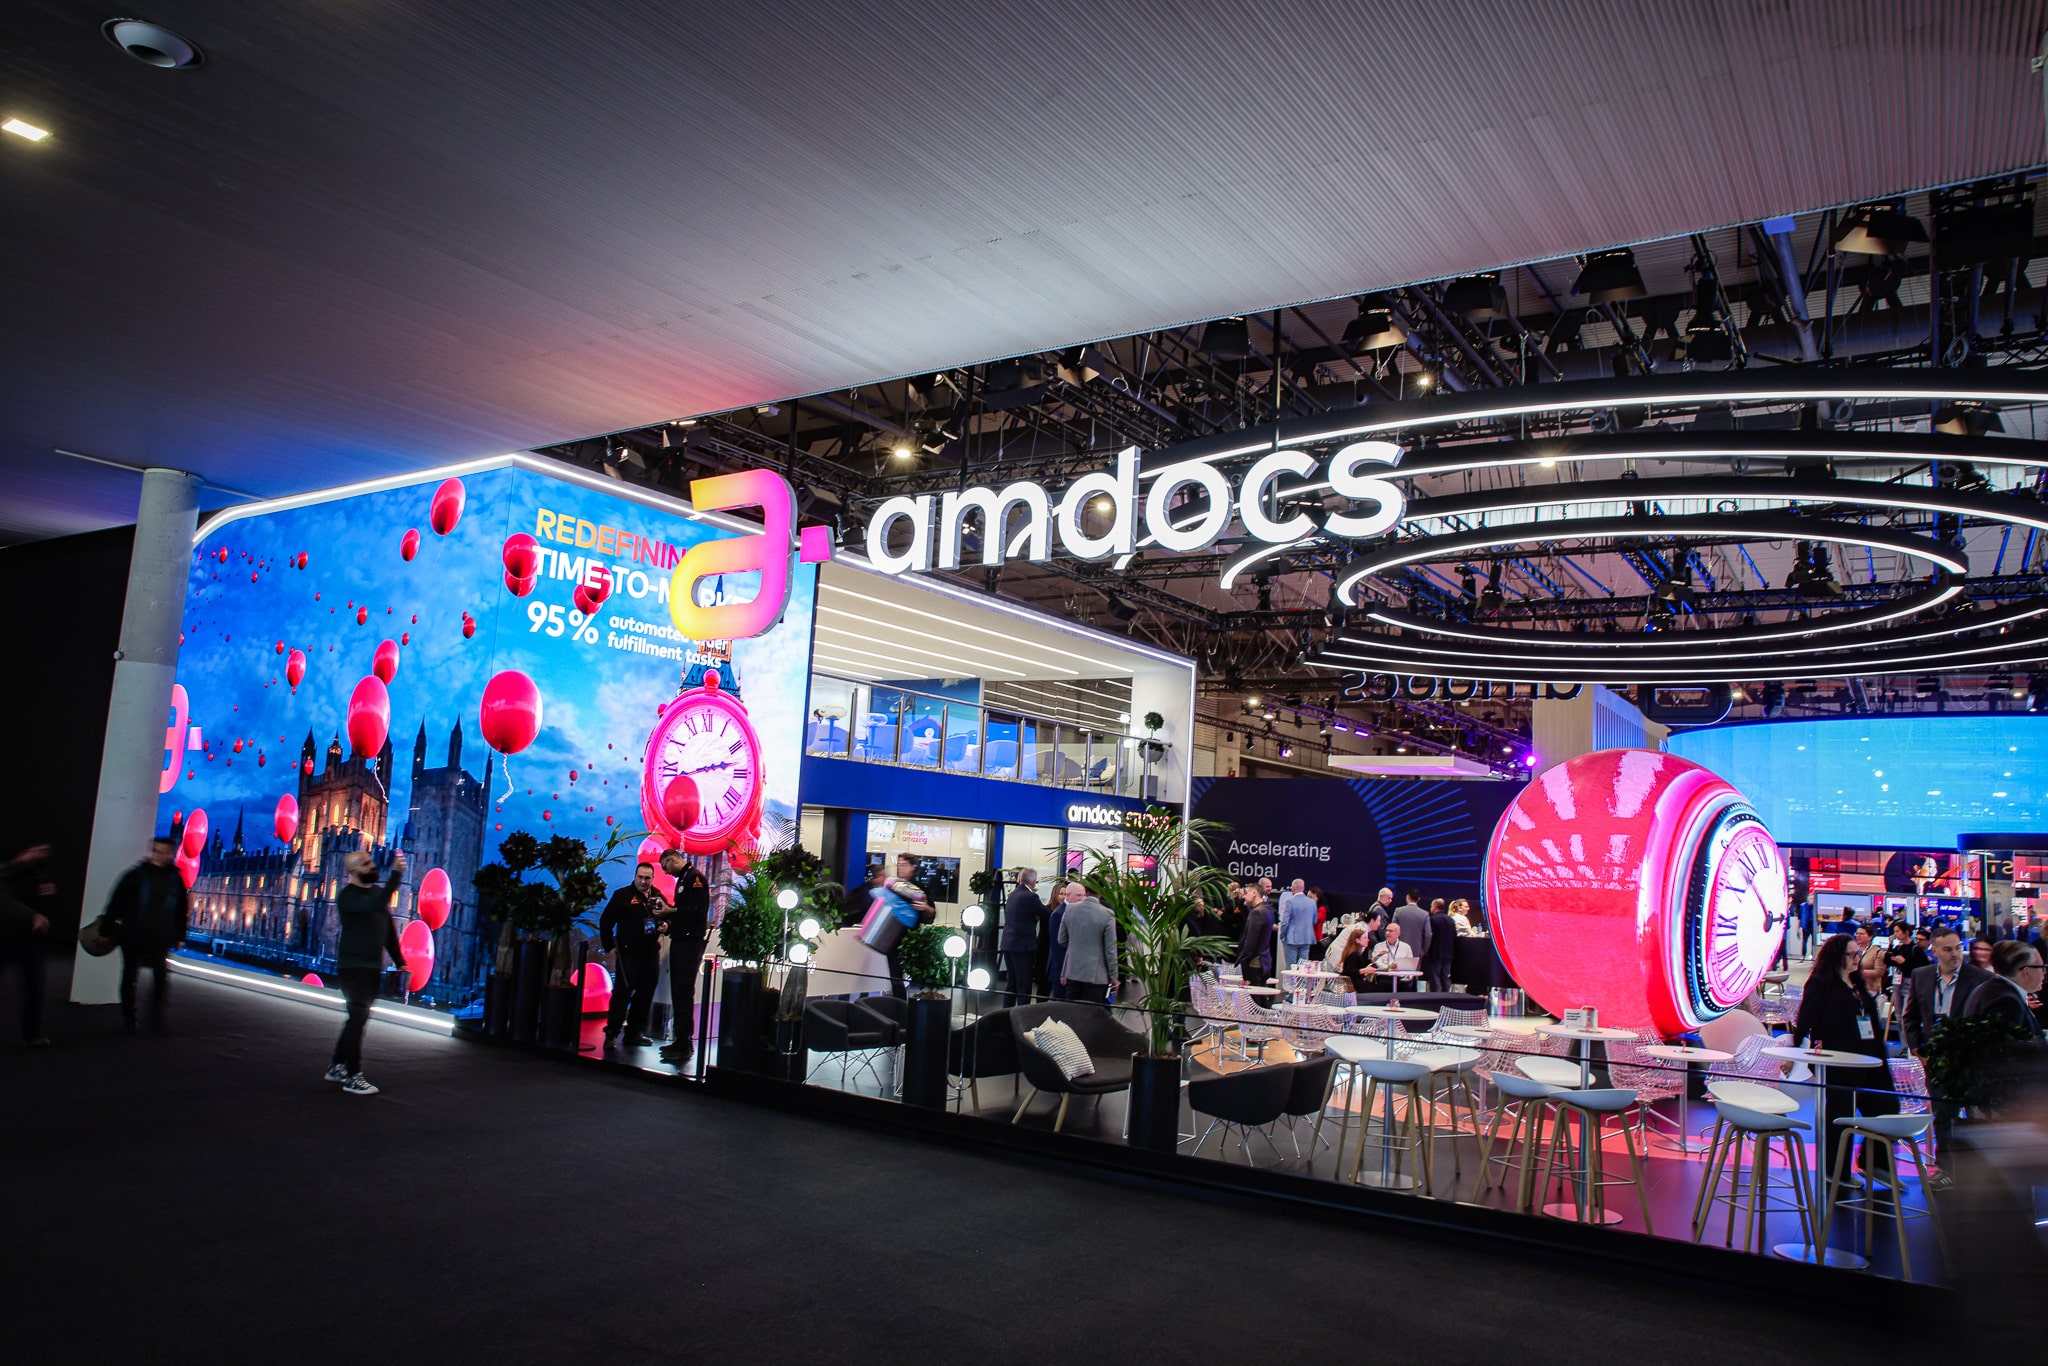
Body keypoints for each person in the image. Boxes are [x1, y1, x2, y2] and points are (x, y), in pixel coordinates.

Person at [1790, 933, 1898, 1177]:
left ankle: (1874, 1163)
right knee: (1840, 1115)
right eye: (1851, 955)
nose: (1856, 959)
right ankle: (1836, 1172)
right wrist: (1795, 1050)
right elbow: (1806, 1018)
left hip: (1871, 1058)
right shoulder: (1821, 983)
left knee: (1886, 1107)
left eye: (1857, 954)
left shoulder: (1857, 983)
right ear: (1836, 956)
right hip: (1840, 1061)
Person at [1903, 925, 1994, 1183]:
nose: (1955, 954)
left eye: (1958, 948)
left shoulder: (1980, 978)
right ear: (1934, 951)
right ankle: (1946, 1171)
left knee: (1977, 1116)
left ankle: (1979, 1174)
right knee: (1943, 1117)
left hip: (1970, 1061)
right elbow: (1910, 1016)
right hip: (1937, 1060)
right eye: (1947, 949)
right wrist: (1918, 1049)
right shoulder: (1921, 975)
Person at [327, 850, 406, 1095]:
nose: (372, 865)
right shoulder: (348, 897)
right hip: (352, 967)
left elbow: (388, 931)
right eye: (365, 863)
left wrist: (400, 962)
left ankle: (336, 1066)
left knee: (357, 1019)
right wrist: (396, 875)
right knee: (359, 1017)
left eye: (371, 861)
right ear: (353, 872)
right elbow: (375, 905)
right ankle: (353, 1075)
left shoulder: (376, 894)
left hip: (372, 967)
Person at [101, 835, 189, 1035]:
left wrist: (179, 935)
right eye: (156, 851)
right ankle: (129, 1017)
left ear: (171, 854)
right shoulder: (134, 876)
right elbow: (115, 903)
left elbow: (180, 910)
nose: (159, 855)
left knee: (160, 977)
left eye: (164, 852)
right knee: (130, 976)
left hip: (159, 936)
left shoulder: (176, 880)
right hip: (133, 934)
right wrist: (106, 931)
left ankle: (156, 1017)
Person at [598, 862, 666, 1048]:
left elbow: (667, 918)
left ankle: (634, 1033)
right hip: (628, 953)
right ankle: (612, 1033)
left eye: (647, 878)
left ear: (653, 878)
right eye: (640, 877)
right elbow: (605, 922)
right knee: (622, 992)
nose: (643, 881)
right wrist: (609, 947)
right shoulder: (622, 895)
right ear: (635, 877)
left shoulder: (658, 896)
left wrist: (665, 925)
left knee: (646, 993)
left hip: (650, 952)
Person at [1, 844, 55, 1047]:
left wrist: (52, 893)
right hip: (4, 936)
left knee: (34, 987)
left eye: (43, 851)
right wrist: (31, 915)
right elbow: (4, 900)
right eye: (36, 850)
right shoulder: (6, 871)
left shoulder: (40, 873)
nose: (40, 855)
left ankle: (33, 1034)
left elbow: (45, 899)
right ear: (22, 852)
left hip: (30, 940)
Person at [659, 854, 710, 1061]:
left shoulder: (695, 878)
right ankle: (680, 1040)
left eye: (665, 866)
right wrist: (668, 918)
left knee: (683, 991)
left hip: (690, 942)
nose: (665, 871)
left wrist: (672, 909)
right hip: (681, 940)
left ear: (673, 859)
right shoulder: (684, 879)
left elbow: (697, 910)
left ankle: (684, 1043)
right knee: (678, 993)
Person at [1961, 940, 2047, 1043]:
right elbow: (2004, 1048)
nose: (2044, 973)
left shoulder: (1991, 989)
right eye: (2042, 967)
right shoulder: (2007, 1001)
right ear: (2026, 971)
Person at [1055, 881, 1118, 1006]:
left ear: (1086, 891)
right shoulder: (1108, 914)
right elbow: (1110, 949)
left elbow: (1061, 940)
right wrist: (1114, 976)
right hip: (1097, 975)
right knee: (1091, 1013)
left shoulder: (1069, 909)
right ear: (1100, 893)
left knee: (1072, 1011)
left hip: (1072, 971)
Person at [999, 868, 1046, 1006]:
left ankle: (1006, 1012)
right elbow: (1045, 913)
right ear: (1034, 881)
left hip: (1008, 943)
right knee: (1024, 984)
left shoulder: (1013, 894)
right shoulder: (1030, 897)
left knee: (1012, 982)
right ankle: (1022, 1014)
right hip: (1022, 946)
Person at [1360, 921, 1417, 993]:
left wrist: (1408, 977)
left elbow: (1410, 965)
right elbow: (1377, 963)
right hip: (1384, 978)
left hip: (1401, 978)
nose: (1387, 933)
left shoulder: (1406, 947)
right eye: (1386, 931)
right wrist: (1389, 967)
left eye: (1390, 931)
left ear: (1398, 933)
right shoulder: (1379, 946)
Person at [1276, 879, 1318, 975]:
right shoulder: (1312, 903)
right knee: (1304, 968)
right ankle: (1302, 984)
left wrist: (1282, 935)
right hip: (1307, 938)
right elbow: (1315, 921)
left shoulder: (1290, 902)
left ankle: (1291, 985)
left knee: (1291, 968)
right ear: (1304, 888)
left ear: (1293, 889)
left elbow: (1285, 922)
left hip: (1291, 939)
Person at [1236, 887, 1274, 988]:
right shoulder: (1267, 909)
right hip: (1264, 961)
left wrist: (1243, 959)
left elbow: (1251, 942)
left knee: (1254, 995)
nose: (1243, 896)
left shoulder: (1257, 912)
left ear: (1254, 893)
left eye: (1246, 893)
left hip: (1254, 963)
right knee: (1260, 993)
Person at [1044, 879, 1070, 1000]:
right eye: (1061, 894)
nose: (1063, 897)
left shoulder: (1067, 912)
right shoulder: (1052, 912)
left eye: (1065, 894)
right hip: (1049, 952)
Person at [1392, 890, 1432, 965]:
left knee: (1398, 971)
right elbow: (1428, 935)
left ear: (1407, 897)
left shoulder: (1398, 911)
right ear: (1418, 899)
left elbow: (1392, 929)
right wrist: (1423, 951)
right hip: (1416, 950)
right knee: (1414, 971)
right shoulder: (1424, 914)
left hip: (1398, 949)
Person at [1425, 897, 1456, 991]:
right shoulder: (1451, 920)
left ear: (1435, 906)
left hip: (1436, 953)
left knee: (1435, 977)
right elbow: (1454, 937)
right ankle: (1446, 996)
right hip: (1449, 953)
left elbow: (1430, 936)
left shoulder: (1433, 920)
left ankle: (1436, 997)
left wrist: (1427, 950)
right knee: (1445, 976)